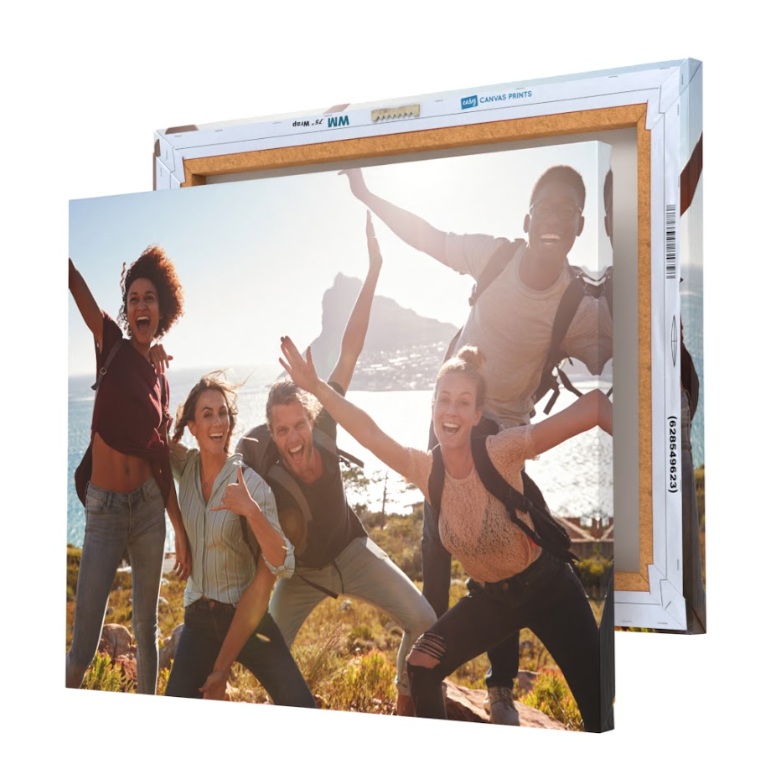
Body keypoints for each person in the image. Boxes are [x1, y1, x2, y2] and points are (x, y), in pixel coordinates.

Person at [341, 165, 612, 723]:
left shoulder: (580, 307)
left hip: (503, 437)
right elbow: (428, 237)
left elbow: (632, 341)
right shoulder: (494, 256)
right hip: (451, 420)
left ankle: (500, 687)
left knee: (503, 547)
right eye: (546, 207)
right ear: (527, 217)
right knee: (437, 551)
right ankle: (420, 682)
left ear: (582, 226)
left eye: (568, 211)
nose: (554, 219)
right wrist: (369, 193)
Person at [279, 339, 612, 732]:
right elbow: (367, 431)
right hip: (490, 599)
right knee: (420, 664)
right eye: (444, 400)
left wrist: (650, 464)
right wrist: (316, 388)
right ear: (433, 407)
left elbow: (593, 406)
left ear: (477, 413)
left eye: (463, 402)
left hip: (549, 589)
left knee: (599, 712)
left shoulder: (501, 450)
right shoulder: (425, 469)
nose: (451, 411)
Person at [253, 214, 437, 716]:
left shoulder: (325, 424)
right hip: (303, 574)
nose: (293, 438)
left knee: (424, 618)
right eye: (282, 430)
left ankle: (403, 699)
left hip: (353, 551)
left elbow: (351, 345)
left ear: (308, 421)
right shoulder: (265, 462)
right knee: (268, 654)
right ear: (272, 433)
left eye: (298, 426)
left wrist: (375, 268)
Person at [67, 248, 190, 694]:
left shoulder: (161, 378)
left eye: (150, 298)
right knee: (82, 646)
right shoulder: (112, 345)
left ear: (163, 311)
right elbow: (76, 286)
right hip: (104, 512)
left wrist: (178, 527)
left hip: (149, 510)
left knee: (147, 628)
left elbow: (160, 460)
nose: (141, 306)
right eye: (134, 298)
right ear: (126, 308)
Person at [163, 373, 315, 706]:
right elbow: (150, 437)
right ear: (192, 425)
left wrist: (251, 512)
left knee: (300, 703)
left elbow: (282, 562)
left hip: (247, 618)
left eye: (223, 413)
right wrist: (177, 527)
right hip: (198, 619)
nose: (218, 421)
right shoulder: (185, 467)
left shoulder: (253, 485)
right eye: (207, 414)